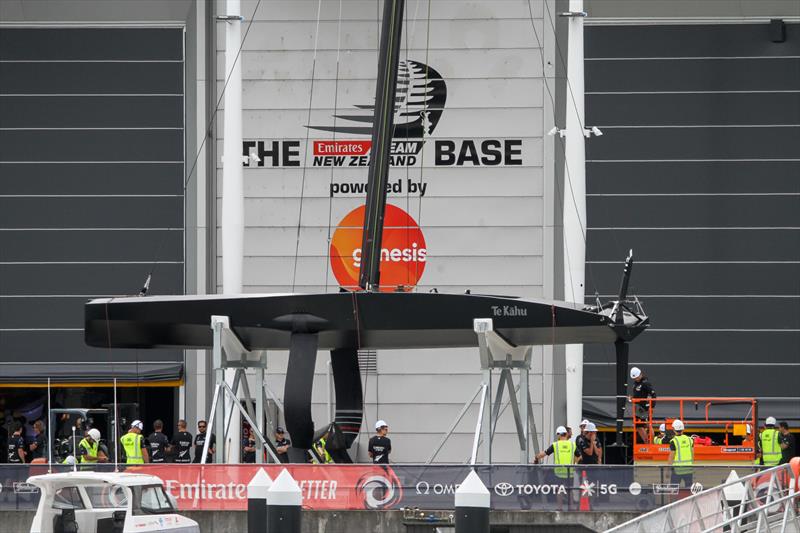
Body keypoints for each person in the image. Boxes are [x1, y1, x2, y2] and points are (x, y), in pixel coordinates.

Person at [630, 367, 656, 444]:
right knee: (638, 426)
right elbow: (638, 394)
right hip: (638, 408)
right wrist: (632, 398)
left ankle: (650, 443)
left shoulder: (645, 383)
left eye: (637, 377)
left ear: (640, 374)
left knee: (648, 424)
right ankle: (646, 442)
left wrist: (652, 407)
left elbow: (653, 395)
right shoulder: (636, 383)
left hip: (645, 408)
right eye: (634, 378)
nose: (636, 379)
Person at [668, 419, 693, 488]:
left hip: (677, 470)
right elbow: (692, 454)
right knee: (689, 489)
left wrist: (667, 470)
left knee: (674, 489)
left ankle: (674, 499)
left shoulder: (673, 441)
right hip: (689, 470)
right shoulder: (690, 440)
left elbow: (671, 457)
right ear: (683, 429)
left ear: (673, 429)